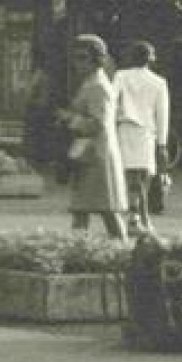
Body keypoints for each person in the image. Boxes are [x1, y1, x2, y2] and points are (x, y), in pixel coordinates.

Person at [59, 34, 129, 241]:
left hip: (96, 156)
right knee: (87, 209)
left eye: (83, 58)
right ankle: (82, 249)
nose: (77, 63)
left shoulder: (98, 86)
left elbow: (99, 123)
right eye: (75, 58)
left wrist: (70, 118)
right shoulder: (91, 82)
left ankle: (118, 252)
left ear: (96, 59)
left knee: (107, 211)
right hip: (90, 154)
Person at [113, 41, 170, 234]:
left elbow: (112, 103)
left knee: (130, 176)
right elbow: (162, 115)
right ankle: (140, 217)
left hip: (124, 129)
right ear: (150, 60)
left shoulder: (121, 76)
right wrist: (162, 143)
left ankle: (135, 216)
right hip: (146, 132)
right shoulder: (158, 82)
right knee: (143, 177)